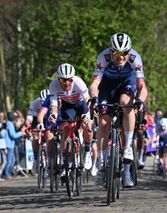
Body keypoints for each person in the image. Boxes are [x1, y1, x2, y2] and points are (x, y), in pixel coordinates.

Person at [89, 32, 147, 188]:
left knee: (126, 102)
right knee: (103, 123)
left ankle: (127, 148)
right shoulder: (104, 57)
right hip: (107, 86)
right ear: (110, 51)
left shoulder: (135, 58)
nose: (120, 57)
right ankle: (102, 163)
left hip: (127, 83)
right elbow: (95, 83)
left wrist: (140, 99)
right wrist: (94, 98)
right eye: (116, 53)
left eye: (124, 53)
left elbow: (142, 86)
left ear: (129, 52)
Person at [49, 63, 93, 178]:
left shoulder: (78, 82)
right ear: (59, 79)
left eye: (69, 80)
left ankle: (87, 151)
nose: (67, 83)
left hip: (81, 104)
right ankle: (65, 161)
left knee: (87, 126)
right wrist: (53, 115)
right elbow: (54, 106)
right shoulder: (53, 85)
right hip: (67, 106)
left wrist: (87, 115)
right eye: (64, 81)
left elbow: (88, 100)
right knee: (66, 129)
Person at [24, 89, 50, 173]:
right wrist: (28, 124)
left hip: (48, 118)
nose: (43, 105)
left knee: (49, 135)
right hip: (36, 118)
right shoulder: (35, 102)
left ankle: (52, 157)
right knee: (35, 137)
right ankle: (36, 158)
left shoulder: (53, 101)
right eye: (42, 103)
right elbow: (29, 116)